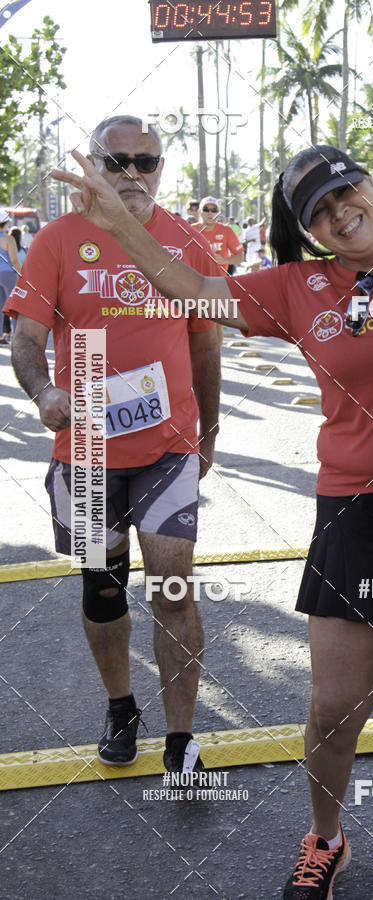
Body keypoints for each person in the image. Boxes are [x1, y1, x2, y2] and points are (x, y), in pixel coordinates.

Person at [52, 3, 373, 894]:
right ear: (306, 229)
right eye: (317, 209)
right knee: (331, 708)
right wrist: (117, 223)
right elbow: (194, 289)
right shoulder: (295, 287)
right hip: (353, 511)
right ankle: (326, 836)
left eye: (345, 191)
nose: (338, 210)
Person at [7, 115, 222, 776]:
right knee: (104, 591)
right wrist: (43, 391)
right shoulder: (59, 240)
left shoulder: (188, 242)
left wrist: (208, 431)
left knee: (175, 586)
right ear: (96, 165)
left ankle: (182, 741)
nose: (132, 174)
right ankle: (121, 706)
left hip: (168, 447)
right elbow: (26, 339)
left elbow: (206, 343)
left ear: (162, 169)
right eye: (117, 160)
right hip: (89, 453)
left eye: (145, 162)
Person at [192, 196, 244, 273]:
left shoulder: (226, 230)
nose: (210, 213)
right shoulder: (190, 230)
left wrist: (224, 260)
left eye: (214, 210)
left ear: (218, 213)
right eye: (206, 209)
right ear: (199, 212)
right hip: (195, 280)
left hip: (219, 280)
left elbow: (241, 257)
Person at [0, 209, 21, 344]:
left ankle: (0, 335)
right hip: (8, 275)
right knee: (15, 305)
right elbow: (14, 260)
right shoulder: (8, 239)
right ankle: (18, 336)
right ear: (6, 223)